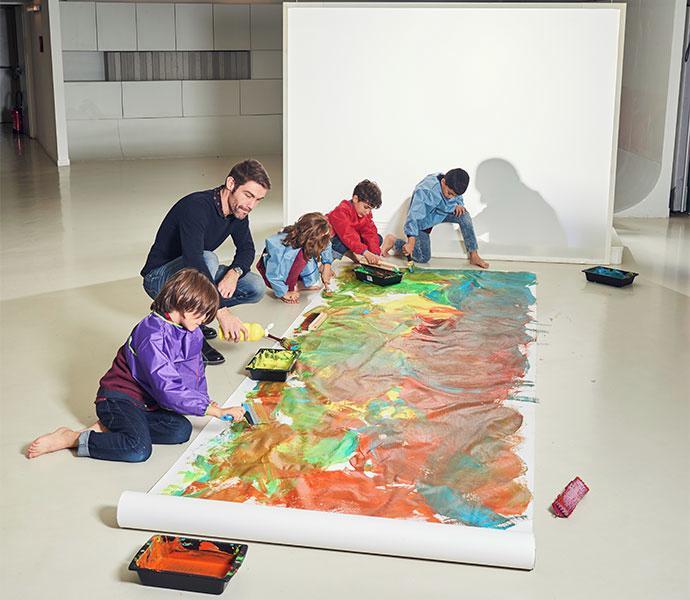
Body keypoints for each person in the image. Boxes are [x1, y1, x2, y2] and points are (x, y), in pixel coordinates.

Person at [26, 269, 245, 463]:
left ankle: (111, 426)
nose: (205, 320)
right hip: (119, 398)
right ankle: (72, 438)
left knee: (181, 430)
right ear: (185, 304)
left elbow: (193, 371)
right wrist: (215, 411)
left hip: (148, 403)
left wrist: (204, 401)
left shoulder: (192, 331)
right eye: (203, 314)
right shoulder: (151, 334)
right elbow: (167, 387)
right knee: (138, 449)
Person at [141, 159, 271, 366]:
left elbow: (247, 250)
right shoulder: (196, 207)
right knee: (208, 258)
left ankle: (198, 316)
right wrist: (222, 312)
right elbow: (194, 262)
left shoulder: (239, 212)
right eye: (248, 195)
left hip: (191, 274)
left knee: (255, 287)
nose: (251, 205)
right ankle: (193, 336)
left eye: (258, 200)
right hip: (159, 278)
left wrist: (234, 273)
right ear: (231, 183)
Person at [381, 168, 489, 268]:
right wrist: (411, 242)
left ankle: (474, 255)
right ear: (443, 182)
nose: (451, 197)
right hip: (423, 221)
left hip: (442, 212)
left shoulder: (453, 185)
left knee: (464, 215)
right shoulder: (425, 191)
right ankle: (393, 242)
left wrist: (459, 204)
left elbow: (457, 196)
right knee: (423, 258)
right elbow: (413, 216)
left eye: (454, 195)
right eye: (450, 193)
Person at [257, 212, 334, 304]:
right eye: (322, 236)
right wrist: (283, 292)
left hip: (296, 261)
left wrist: (327, 266)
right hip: (276, 274)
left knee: (315, 282)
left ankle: (299, 283)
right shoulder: (283, 250)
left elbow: (326, 244)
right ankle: (290, 286)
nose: (325, 239)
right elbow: (273, 274)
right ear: (311, 238)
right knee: (301, 259)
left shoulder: (309, 239)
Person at [327, 179, 383, 265]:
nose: (368, 212)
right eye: (366, 207)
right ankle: (328, 262)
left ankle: (352, 252)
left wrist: (375, 254)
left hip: (351, 237)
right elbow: (347, 234)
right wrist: (365, 252)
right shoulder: (341, 211)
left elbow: (370, 233)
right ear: (355, 199)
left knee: (378, 239)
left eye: (370, 209)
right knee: (341, 243)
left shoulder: (365, 214)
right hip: (334, 239)